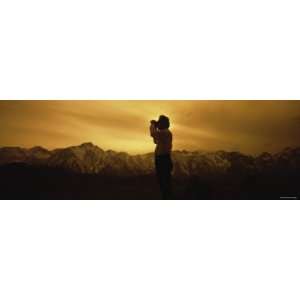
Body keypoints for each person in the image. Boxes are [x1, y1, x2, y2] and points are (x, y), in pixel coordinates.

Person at [149, 115, 173, 199]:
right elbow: (156, 141)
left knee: (164, 182)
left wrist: (153, 124)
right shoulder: (165, 133)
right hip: (163, 159)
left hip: (163, 160)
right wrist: (156, 126)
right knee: (164, 182)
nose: (158, 124)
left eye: (160, 122)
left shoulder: (165, 132)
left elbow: (153, 134)